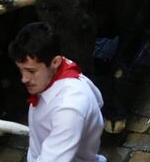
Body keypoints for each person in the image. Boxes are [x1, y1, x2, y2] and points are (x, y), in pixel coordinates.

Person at [9, 22, 105, 161]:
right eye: (21, 70)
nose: (24, 79)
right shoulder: (62, 66)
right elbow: (98, 100)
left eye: (31, 71)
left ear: (55, 62)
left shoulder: (68, 109)